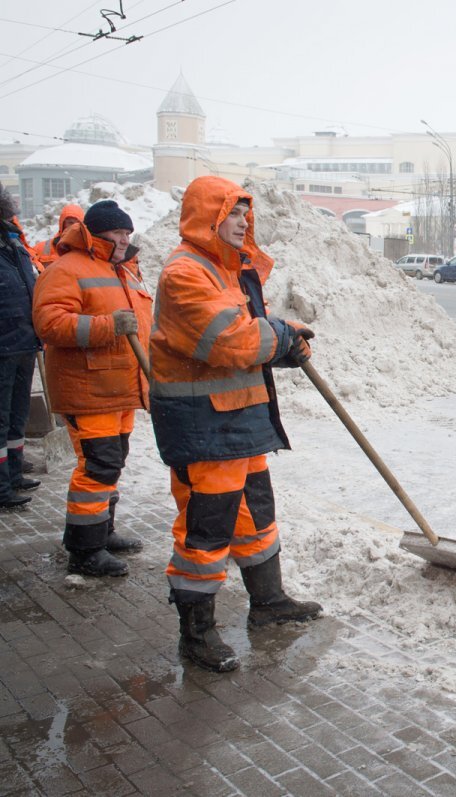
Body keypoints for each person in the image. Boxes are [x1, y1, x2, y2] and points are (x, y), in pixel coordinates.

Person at [150, 176, 321, 673]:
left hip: (238, 421)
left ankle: (268, 603)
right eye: (233, 213)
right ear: (208, 218)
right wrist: (280, 334)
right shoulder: (185, 273)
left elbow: (244, 341)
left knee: (255, 516)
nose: (244, 222)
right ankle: (197, 634)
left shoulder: (228, 271)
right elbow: (229, 341)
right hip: (203, 427)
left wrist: (280, 348)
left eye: (247, 213)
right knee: (206, 532)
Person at [32, 200, 152, 576]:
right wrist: (106, 326)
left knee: (111, 462)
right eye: (118, 232)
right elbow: (49, 323)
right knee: (97, 466)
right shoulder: (67, 269)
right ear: (95, 233)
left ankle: (102, 531)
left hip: (120, 387)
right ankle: (85, 551)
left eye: (128, 232)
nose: (125, 239)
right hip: (89, 388)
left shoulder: (123, 270)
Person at [0, 188, 41, 510]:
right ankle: (1, 487)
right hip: (4, 345)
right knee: (1, 419)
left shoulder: (14, 243)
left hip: (24, 342)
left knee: (17, 416)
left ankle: (14, 474)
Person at [31, 204, 85, 273]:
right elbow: (30, 263)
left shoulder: (87, 250)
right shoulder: (41, 248)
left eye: (78, 223)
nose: (74, 226)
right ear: (62, 224)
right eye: (70, 222)